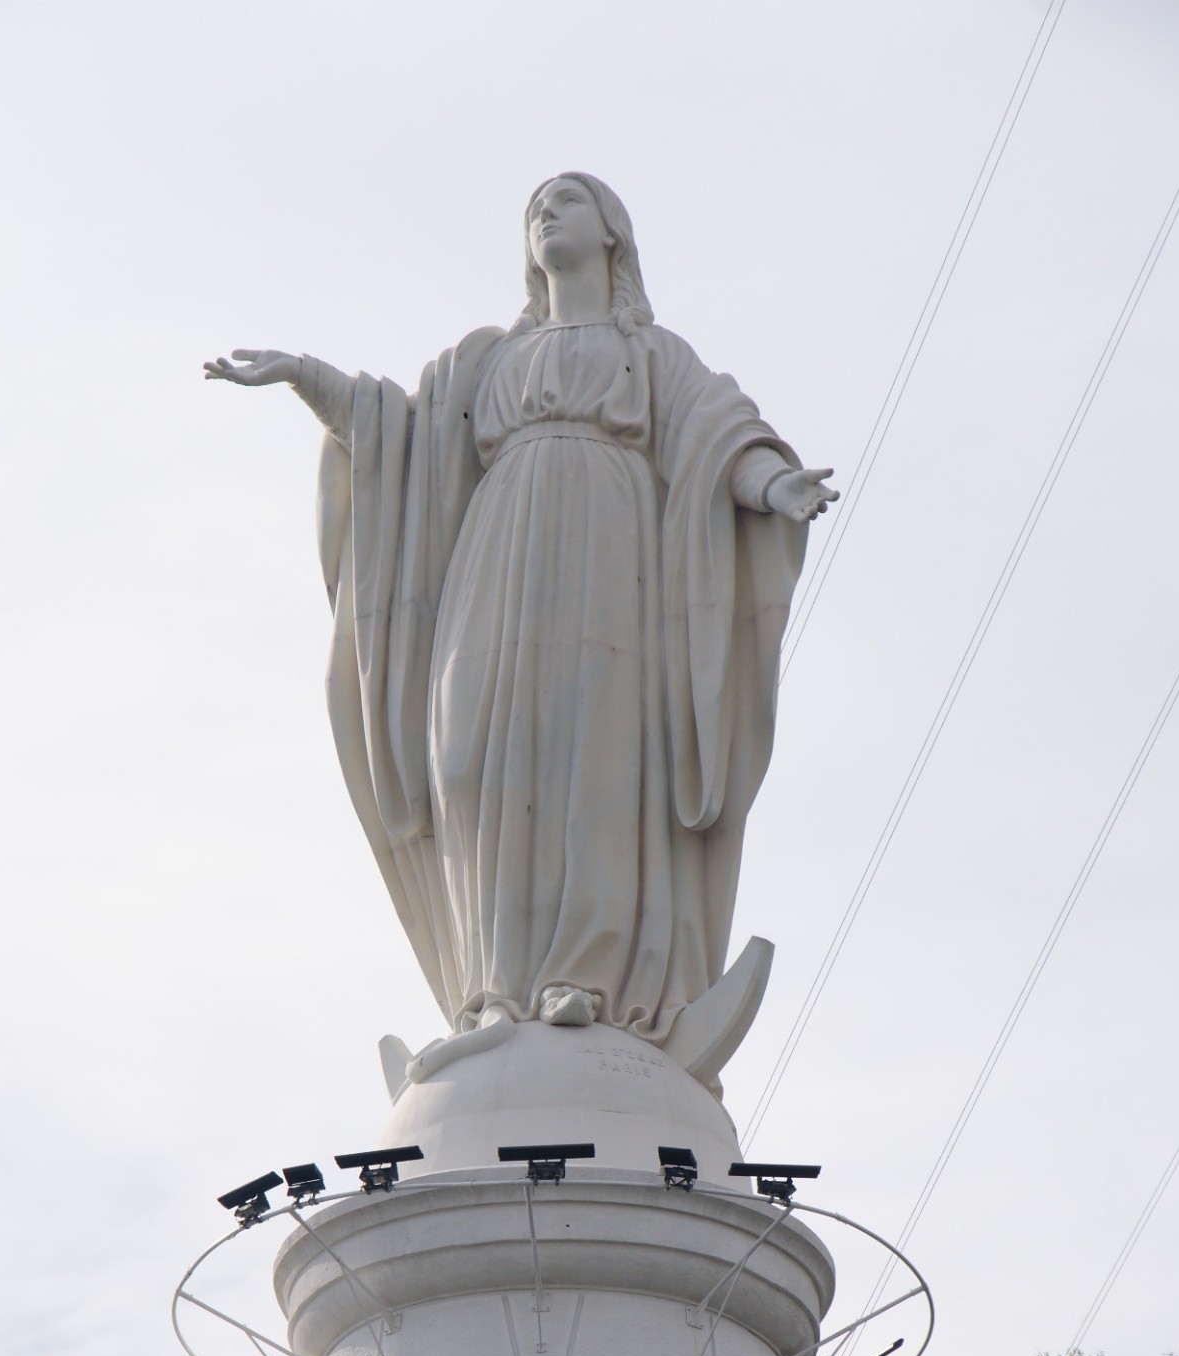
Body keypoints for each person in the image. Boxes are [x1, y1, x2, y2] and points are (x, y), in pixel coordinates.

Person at [205, 174, 835, 1090]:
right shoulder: (490, 359)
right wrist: (310, 379)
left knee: (591, 752)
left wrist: (774, 486)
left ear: (612, 234)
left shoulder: (650, 354)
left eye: (569, 201)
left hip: (610, 556)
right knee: (469, 755)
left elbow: (719, 438)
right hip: (497, 552)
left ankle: (582, 977)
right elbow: (404, 439)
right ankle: (493, 988)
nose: (547, 214)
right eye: (537, 207)